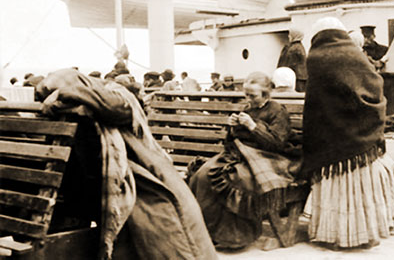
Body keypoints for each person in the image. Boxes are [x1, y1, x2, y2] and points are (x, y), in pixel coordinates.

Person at [35, 69, 217, 259]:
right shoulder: (73, 110)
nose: (54, 101)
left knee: (164, 224)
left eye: (56, 91)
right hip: (99, 184)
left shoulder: (116, 95)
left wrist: (67, 94)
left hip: (141, 175)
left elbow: (114, 108)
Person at [301, 17, 394, 249]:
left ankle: (335, 235)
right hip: (362, 141)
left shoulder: (316, 58)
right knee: (360, 190)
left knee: (337, 188)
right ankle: (364, 234)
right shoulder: (357, 55)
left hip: (331, 140)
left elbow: (316, 104)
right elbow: (375, 87)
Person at [189, 72, 302, 249]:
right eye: (246, 94)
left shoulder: (277, 111)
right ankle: (210, 233)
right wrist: (231, 128)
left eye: (253, 95)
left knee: (234, 179)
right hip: (241, 155)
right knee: (202, 175)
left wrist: (252, 126)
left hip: (270, 157)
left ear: (266, 93)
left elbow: (277, 144)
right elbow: (230, 142)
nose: (248, 98)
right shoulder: (247, 109)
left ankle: (235, 237)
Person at [277, 28, 307, 92]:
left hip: (296, 78)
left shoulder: (293, 48)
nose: (288, 36)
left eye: (290, 35)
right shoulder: (298, 47)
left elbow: (287, 64)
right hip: (300, 77)